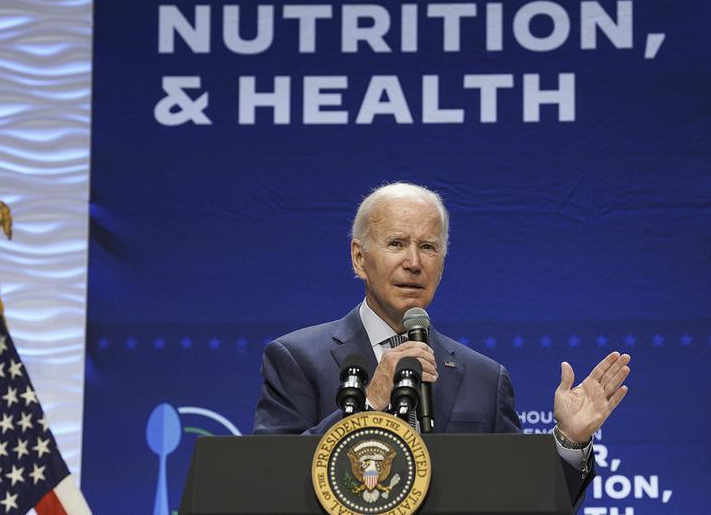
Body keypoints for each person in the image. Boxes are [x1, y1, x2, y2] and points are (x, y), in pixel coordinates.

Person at [253, 182, 630, 511]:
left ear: (442, 263)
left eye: (428, 247)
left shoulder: (484, 377)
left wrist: (569, 442)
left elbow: (531, 501)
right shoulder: (297, 358)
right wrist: (368, 406)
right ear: (359, 257)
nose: (413, 262)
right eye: (397, 243)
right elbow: (266, 483)